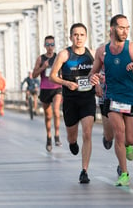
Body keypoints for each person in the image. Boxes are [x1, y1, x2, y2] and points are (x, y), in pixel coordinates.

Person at [90, 14, 133, 187]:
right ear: (112, 28)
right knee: (119, 135)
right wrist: (95, 80)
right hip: (112, 97)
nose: (125, 31)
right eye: (122, 27)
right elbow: (93, 72)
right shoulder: (101, 51)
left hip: (131, 96)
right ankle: (124, 172)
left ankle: (129, 146)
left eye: (127, 28)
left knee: (131, 138)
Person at [49, 23, 96, 184]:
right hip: (70, 99)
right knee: (72, 135)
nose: (79, 38)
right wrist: (66, 83)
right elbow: (52, 76)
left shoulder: (92, 54)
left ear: (86, 36)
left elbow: (100, 72)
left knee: (87, 133)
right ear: (71, 37)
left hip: (88, 98)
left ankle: (84, 171)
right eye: (76, 35)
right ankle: (72, 142)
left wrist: (99, 80)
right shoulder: (64, 55)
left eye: (82, 34)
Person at [32, 35, 63, 152]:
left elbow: (64, 72)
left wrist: (62, 79)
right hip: (45, 89)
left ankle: (57, 135)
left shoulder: (58, 57)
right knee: (48, 116)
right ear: (44, 46)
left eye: (52, 44)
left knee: (56, 111)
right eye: (48, 44)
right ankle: (49, 137)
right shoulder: (40, 59)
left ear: (54, 46)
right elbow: (34, 75)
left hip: (57, 88)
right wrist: (42, 67)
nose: (50, 47)